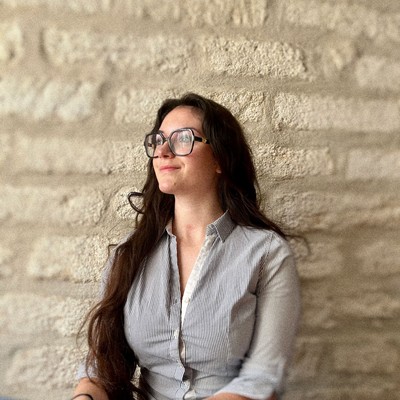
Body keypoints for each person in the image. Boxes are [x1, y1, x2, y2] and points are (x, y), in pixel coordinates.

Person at [73, 93, 301, 400]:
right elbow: (99, 370)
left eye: (182, 139)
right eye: (158, 140)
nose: (163, 151)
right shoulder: (129, 253)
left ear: (220, 158)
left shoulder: (267, 254)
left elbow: (262, 378)